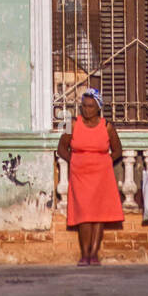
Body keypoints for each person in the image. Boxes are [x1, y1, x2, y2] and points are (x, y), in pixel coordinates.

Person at [57, 88, 124, 265]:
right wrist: (75, 160)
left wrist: (105, 162)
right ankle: (84, 254)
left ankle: (94, 254)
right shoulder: (72, 123)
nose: (87, 110)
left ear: (98, 108)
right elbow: (61, 148)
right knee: (84, 215)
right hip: (80, 174)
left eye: (91, 107)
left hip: (102, 175)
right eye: (84, 106)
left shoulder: (107, 126)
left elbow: (117, 150)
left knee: (98, 214)